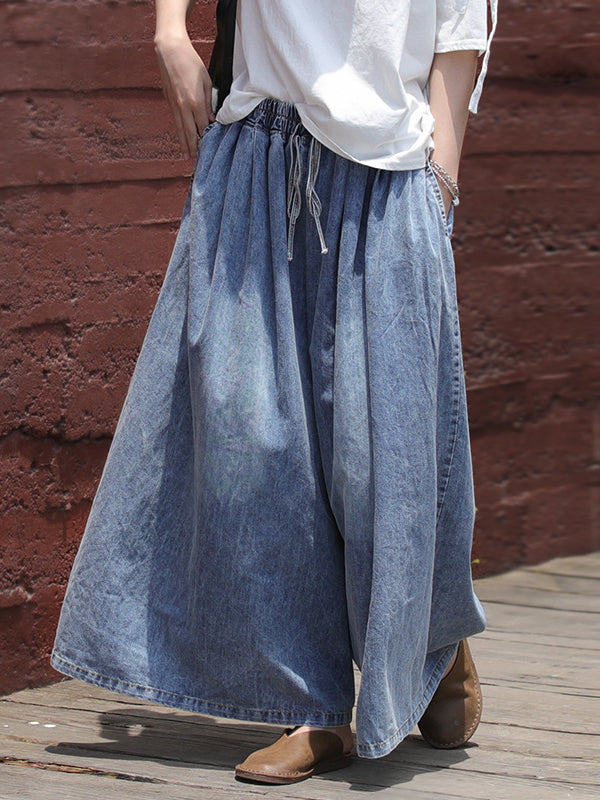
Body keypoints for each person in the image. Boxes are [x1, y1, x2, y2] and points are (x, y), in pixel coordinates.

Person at [50, 0, 497, 785]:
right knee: (252, 445)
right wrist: (169, 31)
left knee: (374, 463)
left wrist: (440, 192)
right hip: (258, 153)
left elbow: (457, 43)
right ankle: (313, 707)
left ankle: (430, 638)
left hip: (388, 177)